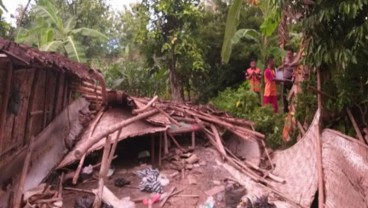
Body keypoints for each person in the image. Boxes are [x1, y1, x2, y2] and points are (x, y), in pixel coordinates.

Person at [281, 48, 297, 113]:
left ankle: (292, 108)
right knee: (284, 95)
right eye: (288, 54)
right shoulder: (286, 59)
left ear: (293, 54)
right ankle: (285, 109)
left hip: (291, 79)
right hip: (285, 79)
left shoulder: (295, 60)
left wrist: (290, 66)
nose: (289, 55)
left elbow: (295, 68)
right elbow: (283, 67)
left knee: (292, 94)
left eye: (290, 54)